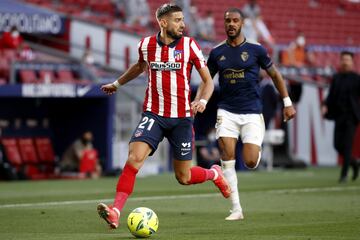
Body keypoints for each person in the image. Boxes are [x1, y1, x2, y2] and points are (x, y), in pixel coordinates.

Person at [97, 3, 231, 229]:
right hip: (154, 114)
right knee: (134, 159)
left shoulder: (190, 45)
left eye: (182, 19)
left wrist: (202, 100)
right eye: (177, 20)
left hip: (182, 118)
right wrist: (117, 83)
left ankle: (214, 174)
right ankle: (116, 211)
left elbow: (208, 81)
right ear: (163, 22)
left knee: (184, 177)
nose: (183, 24)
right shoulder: (146, 45)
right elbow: (140, 66)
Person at [206, 8, 296, 220]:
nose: (231, 24)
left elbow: (276, 76)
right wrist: (199, 100)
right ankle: (236, 209)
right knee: (226, 155)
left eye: (235, 20)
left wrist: (287, 103)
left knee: (250, 162)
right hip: (226, 110)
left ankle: (255, 153)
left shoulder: (257, 49)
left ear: (242, 23)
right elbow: (207, 80)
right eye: (227, 21)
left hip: (252, 112)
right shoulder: (217, 52)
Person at [322, 51, 360, 183]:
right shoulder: (336, 78)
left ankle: (344, 175)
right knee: (337, 145)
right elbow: (331, 96)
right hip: (339, 116)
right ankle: (354, 163)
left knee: (348, 145)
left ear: (352, 62)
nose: (345, 62)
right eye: (343, 59)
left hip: (351, 117)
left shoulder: (356, 78)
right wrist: (325, 105)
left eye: (348, 60)